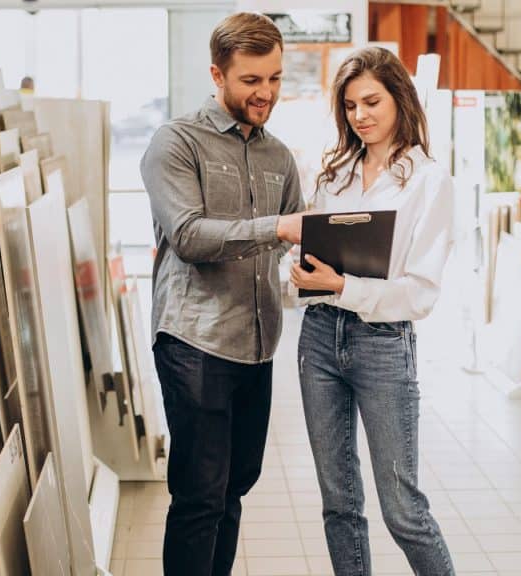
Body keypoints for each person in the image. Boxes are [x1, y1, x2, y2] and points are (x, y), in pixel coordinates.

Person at [140, 12, 305, 576]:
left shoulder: (279, 156)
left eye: (275, 79)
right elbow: (187, 236)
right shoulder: (176, 142)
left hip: (256, 345)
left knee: (235, 487)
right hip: (196, 343)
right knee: (200, 496)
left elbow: (293, 235)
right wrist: (276, 230)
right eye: (252, 81)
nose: (266, 94)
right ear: (218, 74)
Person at [289, 47, 456, 575]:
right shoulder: (333, 175)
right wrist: (299, 275)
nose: (360, 116)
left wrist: (344, 285)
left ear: (399, 99)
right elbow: (309, 253)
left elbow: (421, 293)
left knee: (403, 509)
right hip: (318, 336)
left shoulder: (429, 182)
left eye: (371, 102)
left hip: (382, 343)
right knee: (339, 504)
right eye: (350, 106)